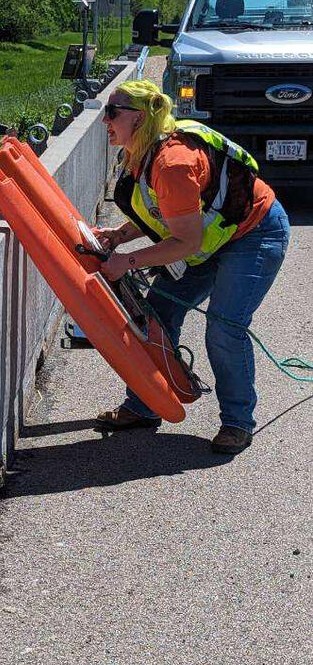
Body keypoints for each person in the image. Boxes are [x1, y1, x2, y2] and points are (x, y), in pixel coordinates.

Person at [94, 78, 290, 454]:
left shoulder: (172, 163)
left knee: (224, 327)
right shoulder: (145, 149)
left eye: (112, 113)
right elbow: (166, 210)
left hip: (253, 235)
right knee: (156, 313)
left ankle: (237, 422)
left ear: (138, 118)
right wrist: (120, 235)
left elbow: (186, 241)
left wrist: (127, 261)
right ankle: (145, 405)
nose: (106, 121)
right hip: (209, 237)